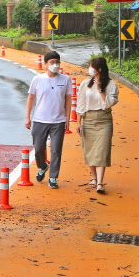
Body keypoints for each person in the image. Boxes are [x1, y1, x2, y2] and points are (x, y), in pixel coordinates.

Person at [24, 51, 72, 189]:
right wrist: (27, 117)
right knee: (39, 148)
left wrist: (67, 118)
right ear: (46, 64)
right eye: (51, 62)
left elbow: (68, 99)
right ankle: (43, 166)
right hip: (40, 120)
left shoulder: (65, 80)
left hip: (58, 121)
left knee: (56, 150)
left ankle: (53, 177)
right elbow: (31, 98)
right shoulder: (38, 79)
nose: (55, 65)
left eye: (57, 62)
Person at [76, 57, 119, 194]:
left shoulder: (111, 85)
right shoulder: (85, 84)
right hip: (88, 119)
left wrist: (100, 89)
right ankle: (93, 177)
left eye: (91, 67)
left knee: (102, 150)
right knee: (89, 149)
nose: (89, 69)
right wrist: (78, 122)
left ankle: (100, 182)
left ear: (99, 69)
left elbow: (109, 104)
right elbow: (81, 103)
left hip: (104, 120)